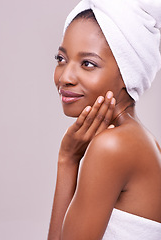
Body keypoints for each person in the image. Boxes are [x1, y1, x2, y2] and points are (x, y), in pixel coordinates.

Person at [48, 1, 161, 239]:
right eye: (61, 58)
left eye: (88, 63)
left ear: (127, 73)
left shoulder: (113, 146)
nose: (65, 76)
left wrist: (67, 160)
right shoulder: (141, 141)